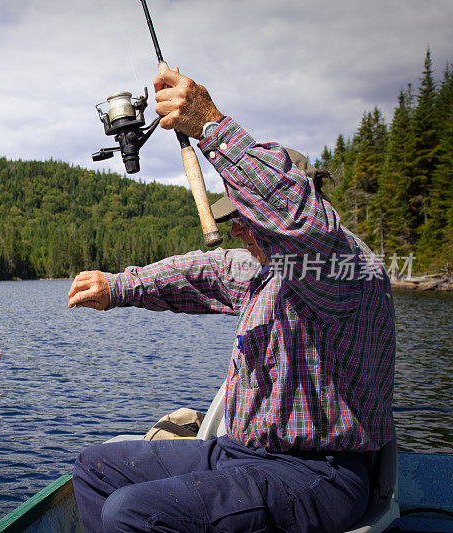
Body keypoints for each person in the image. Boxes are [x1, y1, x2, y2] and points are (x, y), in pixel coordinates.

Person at [66, 67, 395, 532]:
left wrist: (207, 125)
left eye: (246, 216)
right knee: (96, 467)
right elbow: (201, 271)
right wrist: (117, 286)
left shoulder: (341, 268)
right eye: (232, 218)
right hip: (240, 453)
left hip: (318, 472)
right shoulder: (261, 271)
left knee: (133, 512)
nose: (237, 228)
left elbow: (294, 219)